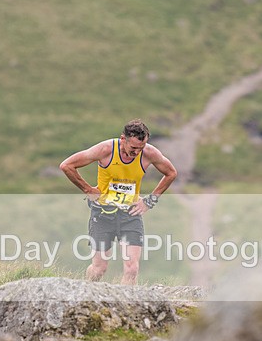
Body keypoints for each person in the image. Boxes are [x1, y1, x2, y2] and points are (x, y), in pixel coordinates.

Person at [59, 119, 177, 285]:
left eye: (141, 148)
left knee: (132, 268)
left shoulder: (150, 153)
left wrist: (150, 200)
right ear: (123, 139)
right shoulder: (105, 150)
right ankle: (87, 291)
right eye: (133, 148)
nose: (137, 152)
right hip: (102, 214)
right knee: (99, 269)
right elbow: (67, 165)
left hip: (130, 214)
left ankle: (126, 308)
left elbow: (171, 173)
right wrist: (88, 189)